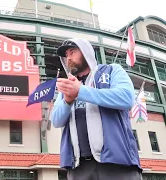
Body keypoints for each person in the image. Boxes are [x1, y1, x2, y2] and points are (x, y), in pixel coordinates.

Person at [51, 38, 142, 180]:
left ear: (86, 52)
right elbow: (56, 121)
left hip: (117, 164)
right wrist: (67, 101)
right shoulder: (67, 87)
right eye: (66, 55)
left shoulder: (112, 70)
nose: (68, 57)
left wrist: (81, 92)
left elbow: (126, 98)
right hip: (78, 167)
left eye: (72, 52)